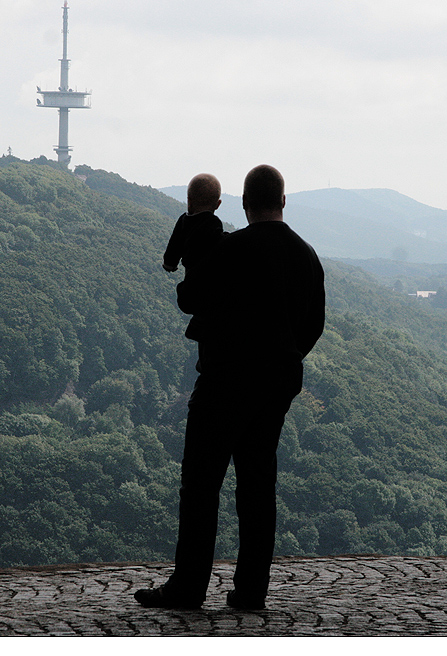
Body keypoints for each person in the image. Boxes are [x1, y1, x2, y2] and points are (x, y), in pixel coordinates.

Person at [136, 164, 325, 610]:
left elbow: (189, 298)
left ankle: (188, 588)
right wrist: (285, 356)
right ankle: (250, 591)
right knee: (257, 485)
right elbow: (313, 326)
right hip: (276, 386)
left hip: (224, 381)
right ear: (282, 201)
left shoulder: (232, 249)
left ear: (244, 203)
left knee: (201, 484)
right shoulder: (306, 255)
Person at [162, 173, 227, 340]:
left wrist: (170, 265)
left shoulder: (183, 222)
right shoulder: (214, 225)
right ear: (218, 204)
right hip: (211, 291)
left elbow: (170, 257)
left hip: (189, 291)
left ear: (189, 200)